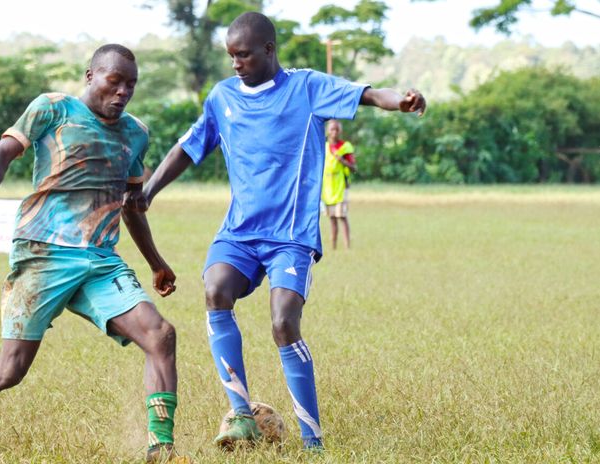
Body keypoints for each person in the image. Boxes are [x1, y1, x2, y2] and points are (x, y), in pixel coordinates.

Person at [142, 12, 426, 451]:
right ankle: (241, 417)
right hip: (239, 233)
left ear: (269, 50)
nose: (236, 63)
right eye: (231, 56)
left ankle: (313, 443)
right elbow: (188, 147)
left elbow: (367, 94)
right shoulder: (222, 97)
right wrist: (149, 190)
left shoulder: (306, 87)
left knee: (283, 322)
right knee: (215, 289)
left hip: (291, 237)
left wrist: (401, 101)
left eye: (244, 54)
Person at [0, 44, 183, 463]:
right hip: (43, 253)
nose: (122, 92)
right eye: (114, 81)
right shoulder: (53, 109)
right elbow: (1, 151)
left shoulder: (137, 133)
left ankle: (161, 450)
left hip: (99, 259)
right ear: (90, 76)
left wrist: (156, 262)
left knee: (160, 335)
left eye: (130, 85)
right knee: (11, 371)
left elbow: (132, 204)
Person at [322, 120, 356, 250]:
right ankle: (333, 247)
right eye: (332, 129)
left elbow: (354, 167)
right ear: (327, 131)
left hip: (341, 187)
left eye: (337, 129)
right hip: (327, 189)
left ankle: (347, 247)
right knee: (332, 218)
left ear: (340, 131)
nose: (334, 132)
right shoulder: (323, 147)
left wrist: (341, 160)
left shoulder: (345, 147)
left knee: (342, 216)